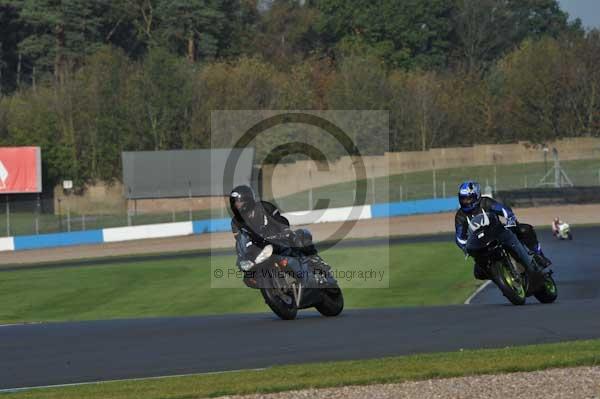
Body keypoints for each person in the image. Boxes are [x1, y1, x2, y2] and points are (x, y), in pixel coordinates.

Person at [229, 185, 324, 286]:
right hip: (259, 249)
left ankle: (315, 261)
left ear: (247, 200)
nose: (236, 205)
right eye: (234, 202)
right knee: (248, 278)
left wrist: (285, 231)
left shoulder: (264, 207)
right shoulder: (235, 222)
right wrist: (241, 257)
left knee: (301, 235)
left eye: (239, 201)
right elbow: (240, 241)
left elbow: (279, 220)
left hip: (278, 239)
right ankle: (275, 295)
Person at [454, 181, 550, 280]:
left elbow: (504, 210)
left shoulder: (486, 202)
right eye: (463, 199)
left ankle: (539, 255)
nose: (466, 201)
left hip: (498, 232)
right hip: (481, 244)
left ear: (477, 196)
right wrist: (466, 247)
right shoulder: (460, 216)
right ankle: (501, 278)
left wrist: (510, 219)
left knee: (524, 229)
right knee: (478, 273)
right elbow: (459, 237)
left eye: (469, 198)